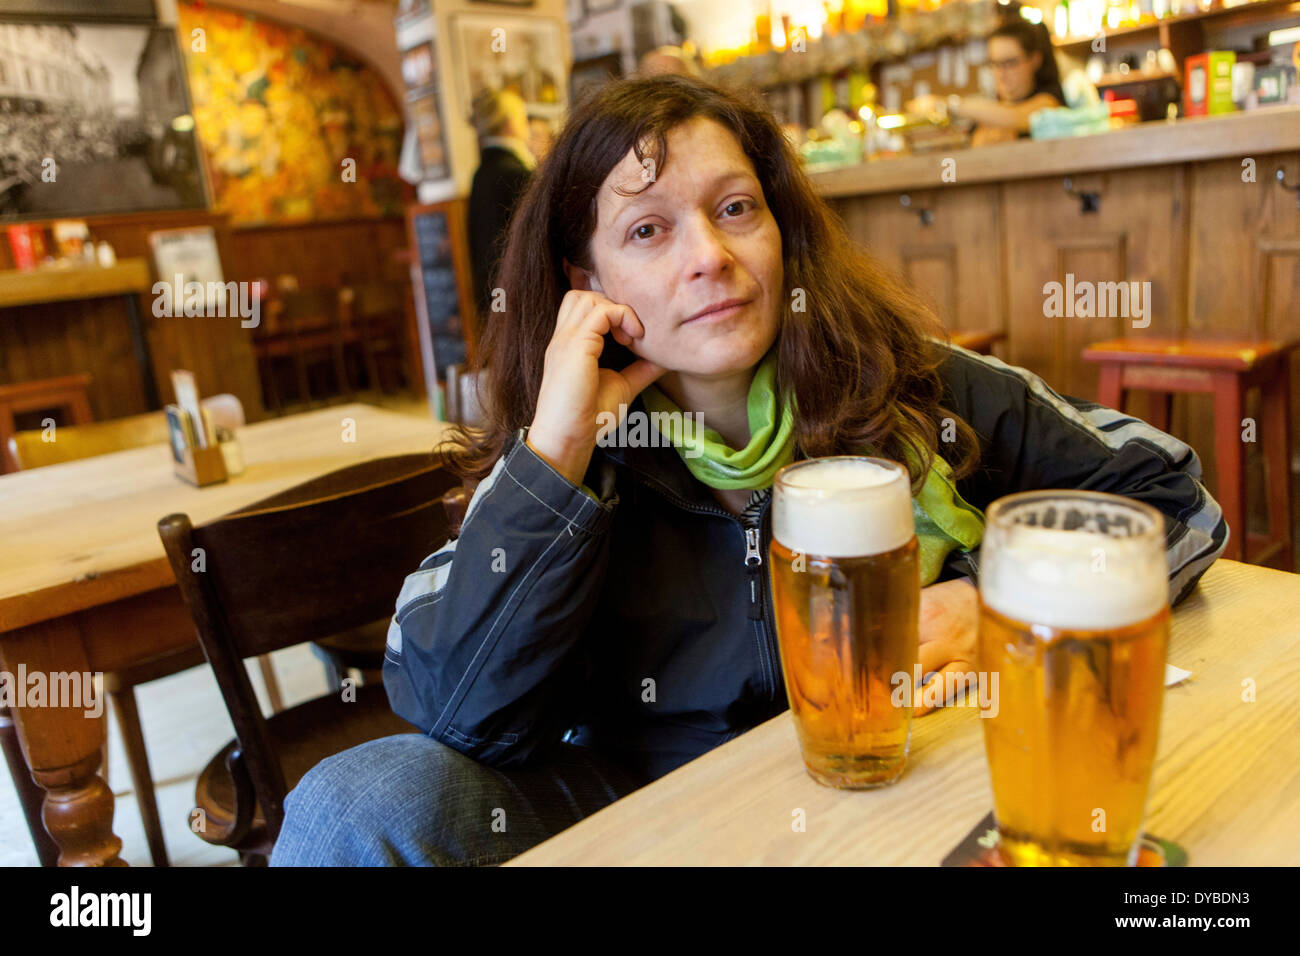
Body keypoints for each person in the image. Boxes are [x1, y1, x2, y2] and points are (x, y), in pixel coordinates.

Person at [270, 74, 1227, 866]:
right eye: (648, 230)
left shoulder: (916, 385)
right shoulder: (552, 456)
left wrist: (993, 608)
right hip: (638, 811)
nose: (712, 257)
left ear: (783, 233)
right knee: (360, 798)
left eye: (736, 210)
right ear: (584, 283)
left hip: (900, 790)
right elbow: (453, 712)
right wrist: (553, 456)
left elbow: (1174, 499)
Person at [910, 20, 1066, 146]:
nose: (1001, 73)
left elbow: (1018, 117)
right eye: (994, 64)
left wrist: (947, 104)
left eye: (1009, 62)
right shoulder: (989, 113)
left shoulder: (1051, 99)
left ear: (1035, 60)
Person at [467, 88, 537, 329]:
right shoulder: (516, 173)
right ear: (510, 124)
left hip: (492, 296)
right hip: (522, 297)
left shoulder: (480, 175)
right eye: (523, 118)